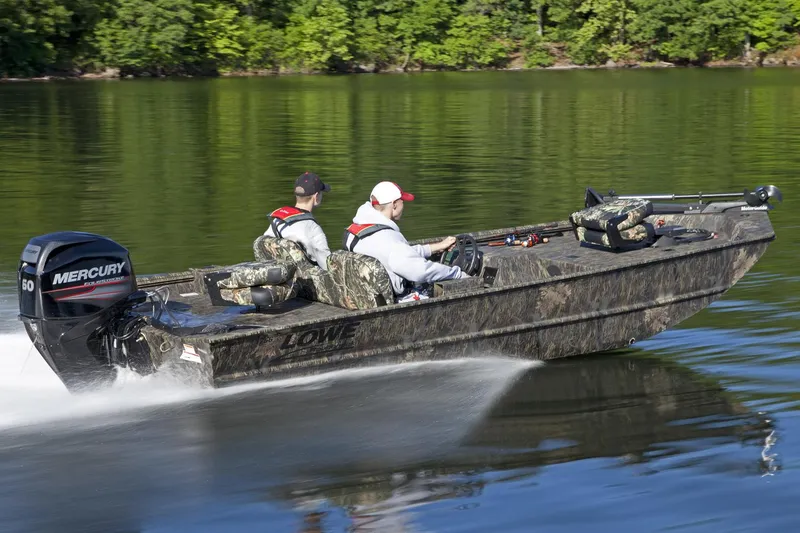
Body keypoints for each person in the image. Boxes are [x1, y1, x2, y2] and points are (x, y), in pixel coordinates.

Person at [343, 181, 469, 300]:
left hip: (366, 295)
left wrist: (436, 247)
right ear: (394, 205)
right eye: (402, 201)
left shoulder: (357, 230)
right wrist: (457, 274)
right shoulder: (390, 239)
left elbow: (396, 253)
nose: (404, 204)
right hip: (399, 299)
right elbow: (421, 271)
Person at [265, 171, 332, 270]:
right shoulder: (312, 227)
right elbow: (327, 265)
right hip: (304, 282)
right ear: (316, 197)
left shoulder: (277, 220)